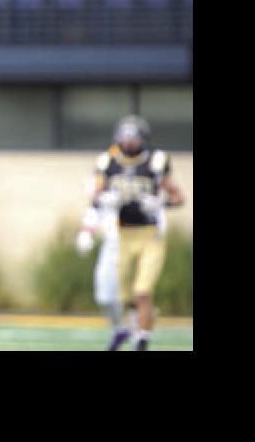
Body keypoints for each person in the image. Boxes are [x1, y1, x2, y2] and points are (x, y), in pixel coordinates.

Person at [87, 114, 184, 351]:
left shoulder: (154, 162)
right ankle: (139, 325)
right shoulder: (109, 162)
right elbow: (95, 197)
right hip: (123, 236)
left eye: (133, 137)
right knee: (125, 295)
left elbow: (178, 197)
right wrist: (105, 199)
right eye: (125, 136)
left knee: (142, 290)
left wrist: (161, 203)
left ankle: (142, 339)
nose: (129, 141)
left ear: (143, 138)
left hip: (150, 236)